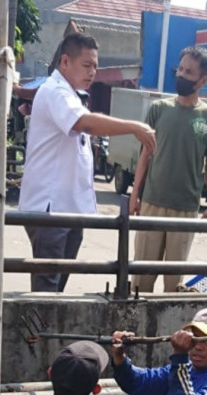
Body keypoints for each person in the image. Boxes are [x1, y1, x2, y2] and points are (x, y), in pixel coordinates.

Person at [18, 33, 155, 292]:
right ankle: (37, 334)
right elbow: (85, 123)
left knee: (56, 287)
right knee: (46, 289)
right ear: (65, 61)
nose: (93, 72)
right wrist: (133, 127)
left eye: (95, 66)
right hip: (51, 209)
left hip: (67, 209)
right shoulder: (55, 90)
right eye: (87, 65)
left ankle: (46, 332)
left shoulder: (70, 93)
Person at [129, 46, 207, 293]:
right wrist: (134, 194)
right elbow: (145, 156)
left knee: (174, 283)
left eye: (189, 72)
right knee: (141, 280)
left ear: (202, 80)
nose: (181, 75)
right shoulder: (159, 109)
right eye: (180, 69)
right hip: (152, 203)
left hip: (186, 209)